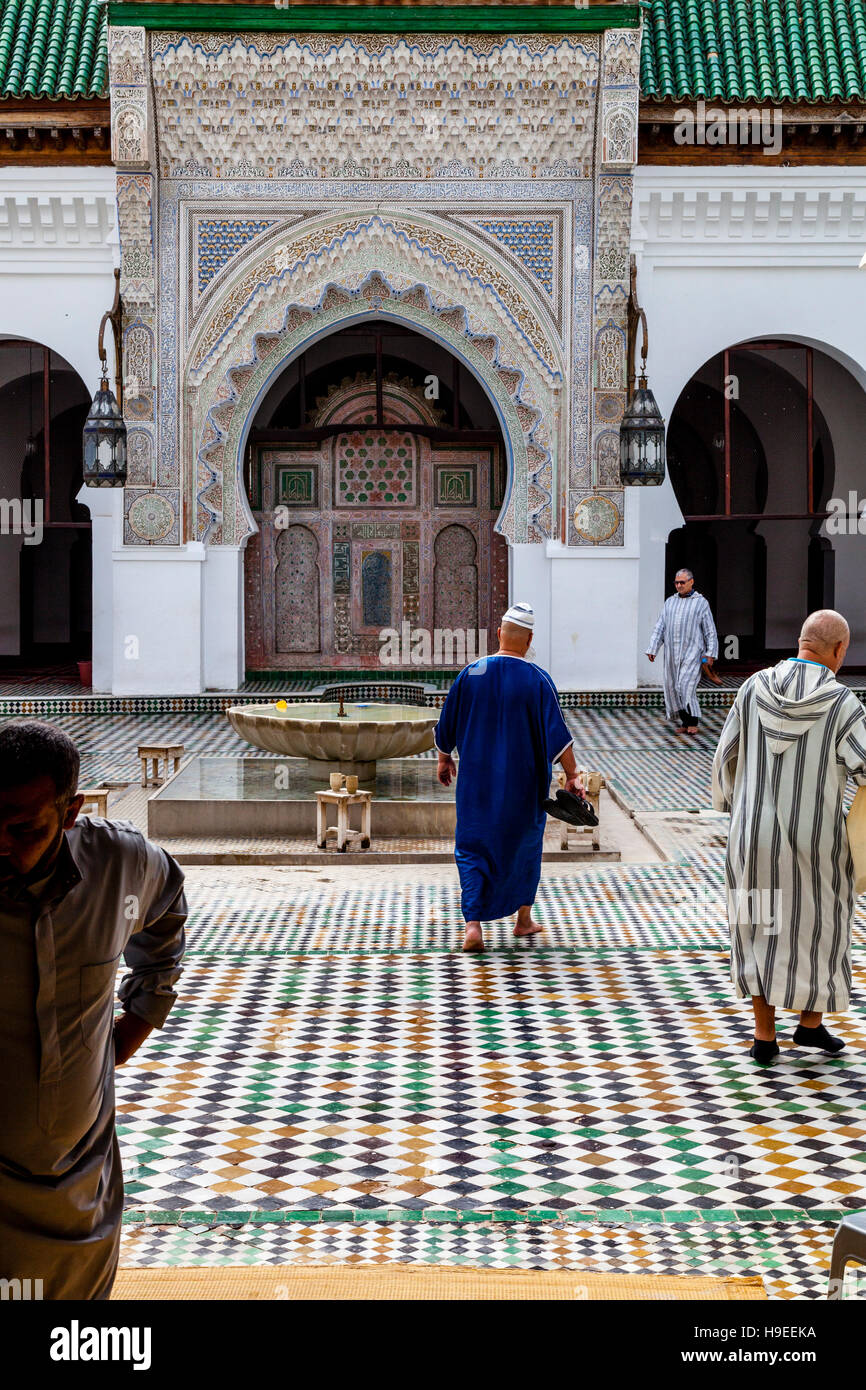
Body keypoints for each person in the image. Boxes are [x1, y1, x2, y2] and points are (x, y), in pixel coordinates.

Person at [0, 720, 188, 1298]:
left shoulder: (118, 865)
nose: (0, 845)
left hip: (81, 1179)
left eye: (23, 828)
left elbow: (166, 912)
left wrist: (128, 1033)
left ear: (71, 810)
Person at [711, 610, 866, 1064]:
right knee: (820, 929)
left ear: (801, 643)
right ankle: (810, 1025)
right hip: (815, 843)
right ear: (839, 651)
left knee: (757, 926)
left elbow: (726, 756)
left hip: (749, 840)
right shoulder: (842, 704)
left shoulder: (753, 688)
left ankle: (764, 1037)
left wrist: (737, 806)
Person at [434, 602, 581, 953]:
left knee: (472, 849)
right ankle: (523, 920)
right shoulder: (538, 680)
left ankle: (473, 926)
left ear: (499, 634)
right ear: (529, 640)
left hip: (476, 789)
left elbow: (445, 727)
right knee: (524, 848)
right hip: (524, 789)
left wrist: (443, 760)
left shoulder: (471, 673)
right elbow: (558, 738)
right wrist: (573, 775)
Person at [647, 569, 719, 735]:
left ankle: (693, 721)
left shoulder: (701, 603)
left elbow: (709, 630)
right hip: (672, 655)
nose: (679, 585)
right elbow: (660, 627)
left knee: (685, 686)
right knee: (673, 687)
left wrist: (710, 653)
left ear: (691, 582)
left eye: (682, 582)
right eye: (677, 582)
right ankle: (685, 722)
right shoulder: (670, 602)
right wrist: (653, 648)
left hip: (693, 654)